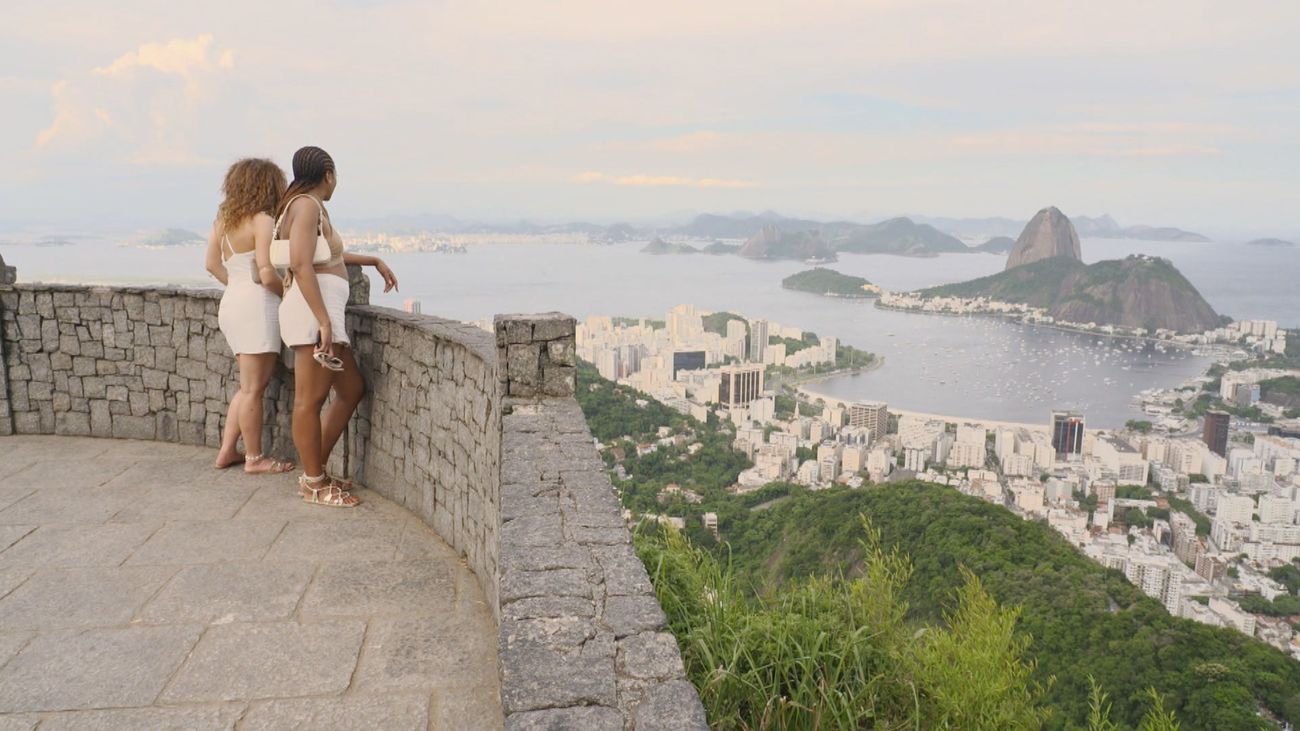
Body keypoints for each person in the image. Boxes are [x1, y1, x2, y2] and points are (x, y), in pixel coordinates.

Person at [277, 146, 398, 507]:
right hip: (315, 312)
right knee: (309, 400)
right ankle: (313, 483)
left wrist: (372, 259)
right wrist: (324, 321)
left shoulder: (304, 205)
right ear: (328, 174)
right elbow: (300, 264)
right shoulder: (307, 205)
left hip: (323, 310)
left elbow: (323, 256)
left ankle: (315, 470)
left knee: (351, 388)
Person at [205, 158, 296, 474]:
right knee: (254, 388)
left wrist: (239, 286)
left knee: (246, 387)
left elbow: (212, 264)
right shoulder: (262, 220)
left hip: (233, 303)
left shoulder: (224, 221)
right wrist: (290, 296)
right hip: (257, 306)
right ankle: (255, 458)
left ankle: (227, 450)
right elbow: (266, 273)